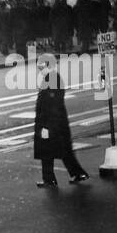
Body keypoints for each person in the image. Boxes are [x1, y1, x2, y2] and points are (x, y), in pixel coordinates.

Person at [32, 57, 89, 188]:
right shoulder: (51, 78)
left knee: (48, 152)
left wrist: (46, 127)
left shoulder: (53, 79)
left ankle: (50, 179)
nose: (40, 71)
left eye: (41, 67)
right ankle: (76, 174)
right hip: (57, 124)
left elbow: (52, 105)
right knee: (63, 151)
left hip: (52, 124)